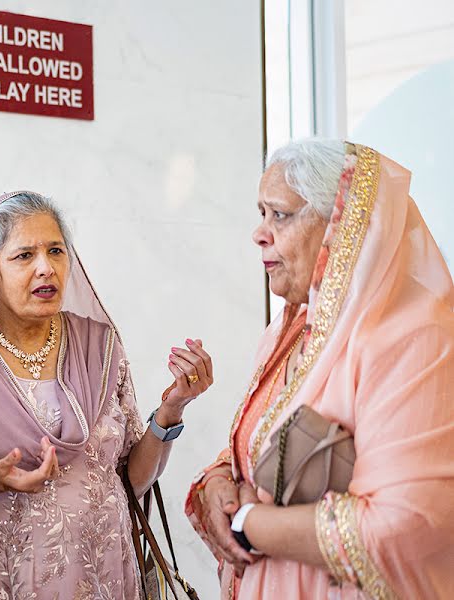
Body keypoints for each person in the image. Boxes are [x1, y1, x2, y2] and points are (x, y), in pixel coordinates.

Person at [0, 191, 214, 598]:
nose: (46, 268)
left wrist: (171, 411)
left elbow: (128, 480)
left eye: (55, 251)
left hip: (107, 579)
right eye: (24, 255)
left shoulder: (99, 345)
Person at [186, 139, 454, 599]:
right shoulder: (290, 329)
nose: (260, 233)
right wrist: (215, 486)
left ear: (343, 226)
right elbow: (254, 447)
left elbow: (401, 523)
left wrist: (250, 524)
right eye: (261, 213)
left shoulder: (413, 338)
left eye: (281, 215)